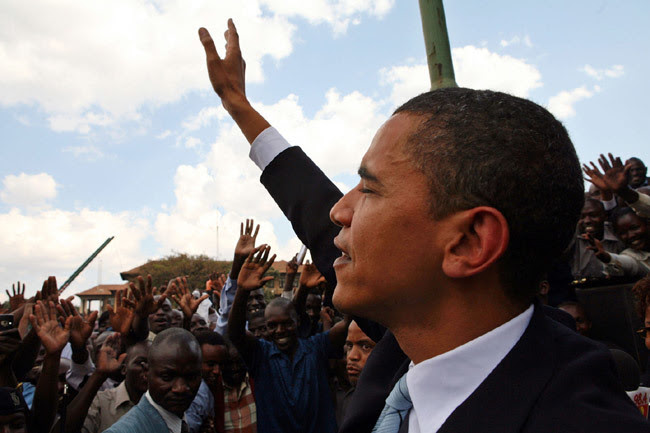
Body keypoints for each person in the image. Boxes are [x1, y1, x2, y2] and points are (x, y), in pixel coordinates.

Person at [198, 20, 650, 432]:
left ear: (467, 243)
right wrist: (239, 108)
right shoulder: (411, 341)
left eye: (370, 190)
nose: (340, 211)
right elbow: (317, 213)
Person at [228, 246, 349, 433]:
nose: (280, 331)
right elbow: (235, 333)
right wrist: (242, 291)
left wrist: (346, 279)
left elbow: (346, 325)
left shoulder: (317, 347)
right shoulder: (260, 355)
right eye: (272, 326)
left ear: (297, 321)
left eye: (286, 324)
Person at [104, 328, 203, 433]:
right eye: (166, 377)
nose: (180, 388)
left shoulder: (179, 422)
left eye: (191, 377)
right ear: (147, 373)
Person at [65, 339, 150, 433]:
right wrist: (100, 374)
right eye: (141, 363)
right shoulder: (100, 402)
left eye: (153, 365)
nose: (148, 370)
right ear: (124, 369)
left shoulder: (164, 404)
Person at [568, 198, 623, 279]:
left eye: (593, 215)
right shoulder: (572, 234)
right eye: (582, 217)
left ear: (605, 216)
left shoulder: (616, 231)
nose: (587, 221)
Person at [336, 320, 375, 425]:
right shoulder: (350, 401)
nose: (352, 356)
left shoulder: (403, 405)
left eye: (365, 347)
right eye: (349, 346)